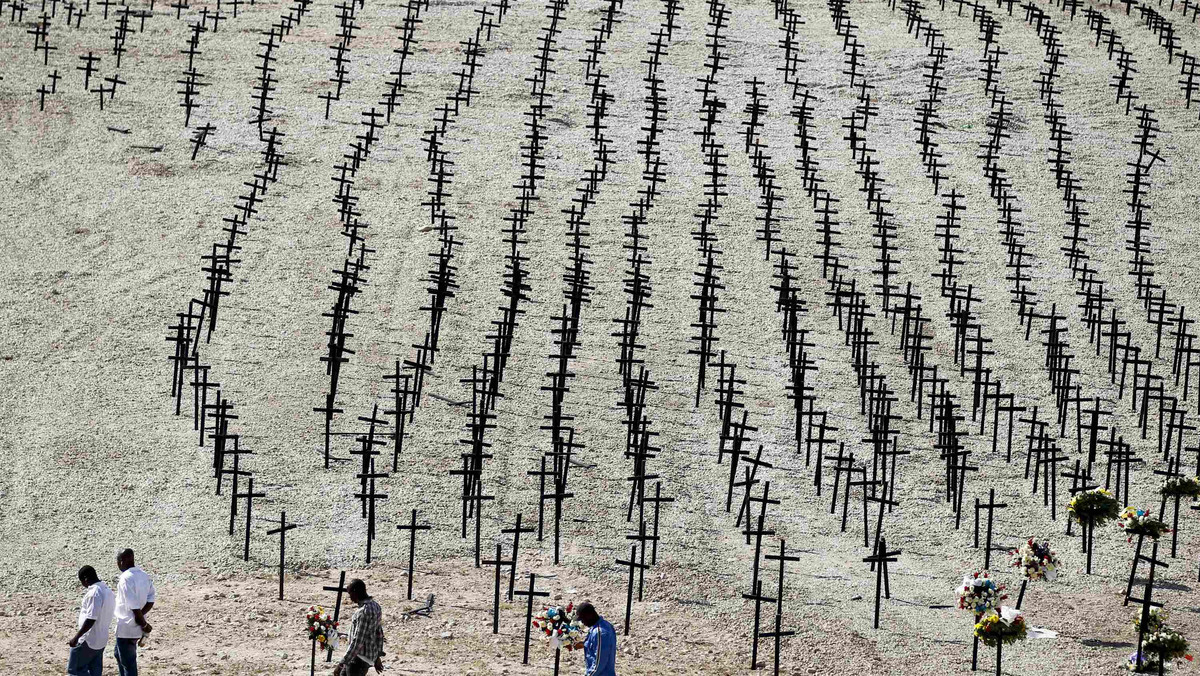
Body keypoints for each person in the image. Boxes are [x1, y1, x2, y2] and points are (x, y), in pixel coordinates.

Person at [113, 548, 156, 676]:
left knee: (129, 664)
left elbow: (133, 605)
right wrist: (142, 617)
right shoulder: (144, 575)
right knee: (118, 654)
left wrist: (142, 622)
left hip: (126, 626)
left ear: (122, 561)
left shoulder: (125, 578)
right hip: (136, 626)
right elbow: (151, 599)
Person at [68, 565, 115, 676]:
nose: (83, 585)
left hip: (89, 640)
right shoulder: (107, 590)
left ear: (85, 579)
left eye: (82, 582)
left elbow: (91, 619)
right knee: (95, 671)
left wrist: (76, 637)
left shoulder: (94, 593)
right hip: (101, 639)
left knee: (75, 670)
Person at [334, 579, 385, 676]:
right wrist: (377, 656)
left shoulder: (363, 611)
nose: (350, 598)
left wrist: (342, 663)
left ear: (355, 593)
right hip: (362, 658)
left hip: (358, 659)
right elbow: (378, 633)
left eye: (350, 594)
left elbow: (358, 640)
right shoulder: (376, 606)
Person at [577, 601, 617, 676]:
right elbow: (597, 646)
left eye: (583, 619)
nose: (583, 622)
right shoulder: (605, 625)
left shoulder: (600, 633)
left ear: (589, 615)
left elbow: (599, 663)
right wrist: (583, 644)